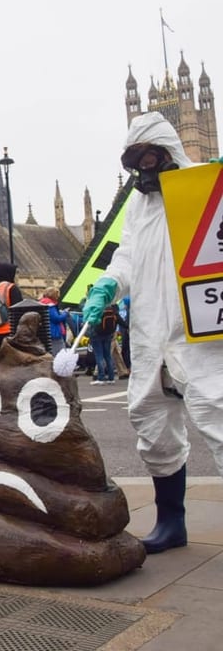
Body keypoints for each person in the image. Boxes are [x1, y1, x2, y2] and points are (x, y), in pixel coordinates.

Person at [83, 111, 223, 555]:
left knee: (219, 417)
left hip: (198, 332)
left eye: (151, 156)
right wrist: (107, 283)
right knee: (152, 423)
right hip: (149, 333)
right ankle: (171, 521)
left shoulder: (204, 191)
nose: (144, 167)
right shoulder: (138, 208)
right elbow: (125, 258)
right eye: (136, 159)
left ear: (169, 153)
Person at [87, 304, 117, 385]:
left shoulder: (97, 308)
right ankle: (111, 378)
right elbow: (119, 321)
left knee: (99, 356)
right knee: (108, 356)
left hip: (97, 335)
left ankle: (101, 378)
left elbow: (90, 320)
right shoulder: (112, 310)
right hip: (108, 335)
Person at [38, 286, 69, 356]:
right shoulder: (50, 305)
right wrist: (65, 313)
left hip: (47, 332)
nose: (58, 297)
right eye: (57, 295)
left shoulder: (41, 303)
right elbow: (56, 318)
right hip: (54, 333)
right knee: (61, 354)